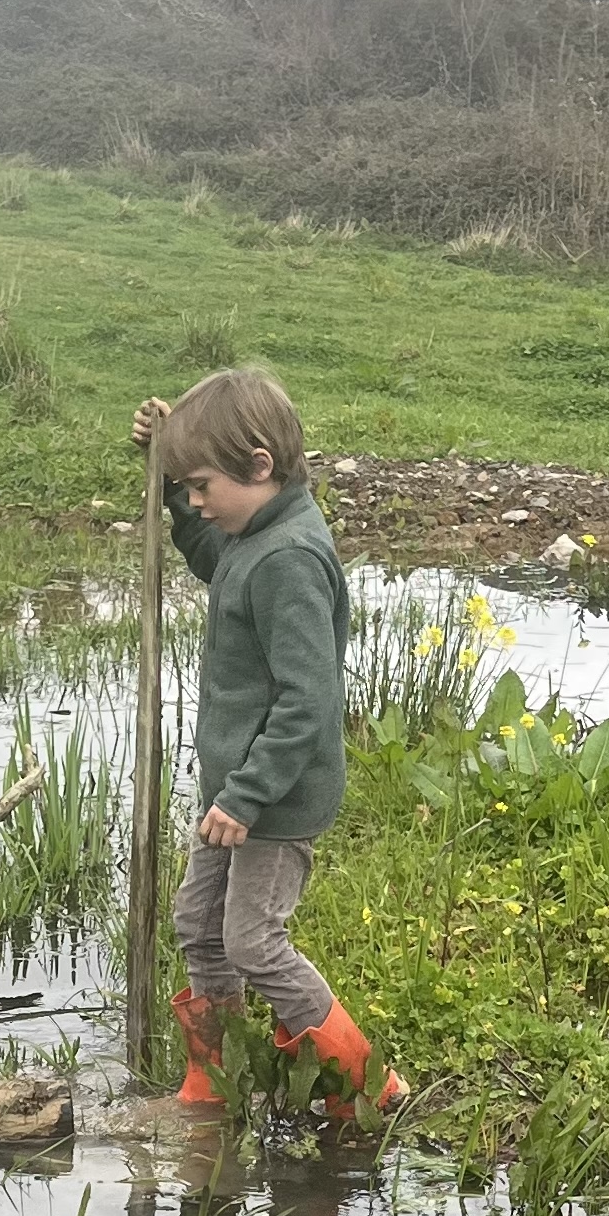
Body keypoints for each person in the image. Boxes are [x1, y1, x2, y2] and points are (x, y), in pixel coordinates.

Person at [130, 370, 403, 1119]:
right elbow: (215, 559)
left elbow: (308, 700)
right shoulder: (251, 537)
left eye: (200, 485)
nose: (194, 502)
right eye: (183, 487)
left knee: (251, 941)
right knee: (198, 923)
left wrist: (248, 794)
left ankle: (367, 1082)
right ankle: (214, 1083)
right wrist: (164, 479)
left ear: (258, 466)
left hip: (273, 798)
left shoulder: (289, 560)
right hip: (237, 792)